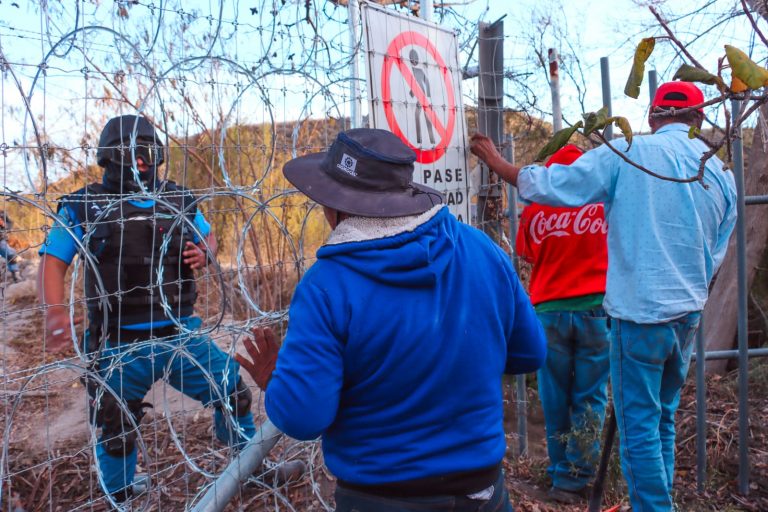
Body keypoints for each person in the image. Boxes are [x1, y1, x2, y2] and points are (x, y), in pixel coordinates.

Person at [235, 128, 547, 512]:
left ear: (335, 207)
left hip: (380, 496)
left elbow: (304, 417)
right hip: (484, 491)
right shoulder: (481, 249)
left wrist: (276, 381)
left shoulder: (327, 286)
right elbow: (530, 353)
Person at [470, 81, 737, 512]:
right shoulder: (721, 173)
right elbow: (718, 252)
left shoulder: (628, 154)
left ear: (652, 117)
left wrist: (498, 163)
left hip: (640, 315)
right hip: (686, 317)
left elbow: (554, 186)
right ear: (699, 118)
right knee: (661, 418)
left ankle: (652, 507)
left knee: (637, 430)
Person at [37, 115, 265, 503]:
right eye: (130, 154)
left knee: (231, 391)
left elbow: (208, 237)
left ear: (157, 154)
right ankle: (120, 494)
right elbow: (53, 260)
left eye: (146, 154)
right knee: (114, 422)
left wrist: (204, 253)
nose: (140, 162)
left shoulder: (177, 199)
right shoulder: (83, 206)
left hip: (182, 334)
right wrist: (55, 310)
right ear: (108, 158)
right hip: (119, 344)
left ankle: (248, 468)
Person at [516, 144, 610, 503]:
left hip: (549, 310)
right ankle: (578, 475)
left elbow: (526, 253)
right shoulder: (601, 200)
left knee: (554, 396)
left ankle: (559, 476)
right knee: (591, 395)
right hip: (596, 308)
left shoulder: (537, 206)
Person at [0, 210, 20, 282]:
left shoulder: (2, 213)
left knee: (11, 255)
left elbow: (10, 224)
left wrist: (4, 224)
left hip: (1, 241)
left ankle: (16, 275)